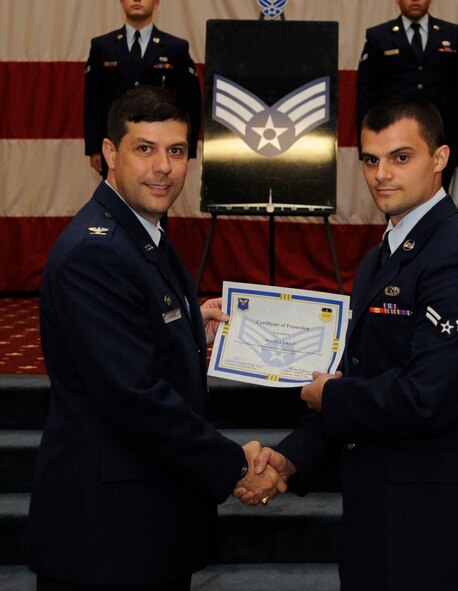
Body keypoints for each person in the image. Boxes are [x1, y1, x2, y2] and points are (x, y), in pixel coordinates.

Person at [240, 97, 458, 590]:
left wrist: (331, 397)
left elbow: (428, 398)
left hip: (445, 535)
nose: (382, 175)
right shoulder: (381, 257)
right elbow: (361, 381)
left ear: (440, 159)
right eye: (371, 160)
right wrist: (290, 459)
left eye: (401, 157)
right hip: (384, 524)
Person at [28, 86, 285, 591]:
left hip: (141, 520)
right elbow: (132, 396)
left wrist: (191, 321)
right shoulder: (96, 252)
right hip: (107, 534)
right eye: (144, 149)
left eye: (176, 151)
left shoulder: (139, 232)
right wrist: (235, 464)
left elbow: (138, 332)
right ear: (108, 154)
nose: (163, 167)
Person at [356, 0, 458, 189]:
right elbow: (367, 96)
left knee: (438, 206)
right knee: (396, 202)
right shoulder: (379, 36)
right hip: (392, 141)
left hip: (442, 139)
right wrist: (366, 146)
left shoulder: (452, 34)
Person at [84, 0, 202, 178]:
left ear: (156, 3)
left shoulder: (175, 48)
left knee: (155, 197)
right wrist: (94, 148)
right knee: (115, 200)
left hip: (160, 144)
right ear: (122, 3)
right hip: (116, 141)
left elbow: (191, 102)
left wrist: (187, 148)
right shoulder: (103, 46)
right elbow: (92, 100)